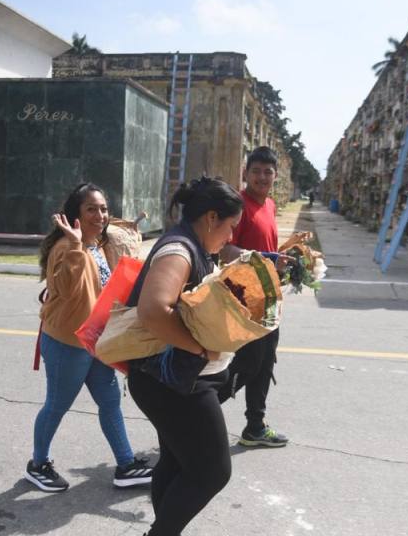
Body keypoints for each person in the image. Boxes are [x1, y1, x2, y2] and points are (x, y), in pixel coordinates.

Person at [127, 176, 244, 536]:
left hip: (168, 380)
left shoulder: (194, 246)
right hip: (173, 384)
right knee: (212, 471)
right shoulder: (179, 250)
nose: (230, 237)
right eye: (229, 227)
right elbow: (153, 310)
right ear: (211, 218)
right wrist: (200, 349)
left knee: (178, 463)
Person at [26, 182, 153, 493]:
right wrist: (73, 245)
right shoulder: (65, 248)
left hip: (95, 340)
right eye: (91, 209)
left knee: (110, 401)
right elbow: (67, 290)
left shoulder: (98, 245)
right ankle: (37, 464)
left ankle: (125, 465)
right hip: (67, 344)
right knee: (57, 405)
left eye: (103, 208)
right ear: (75, 215)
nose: (100, 214)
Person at [218, 146, 290, 448]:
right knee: (248, 363)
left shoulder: (270, 205)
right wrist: (264, 258)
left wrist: (283, 261)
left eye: (268, 172)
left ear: (275, 176)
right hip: (244, 295)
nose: (262, 177)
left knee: (265, 362)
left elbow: (267, 249)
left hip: (268, 295)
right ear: (245, 173)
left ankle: (255, 426)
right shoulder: (238, 205)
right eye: (256, 171)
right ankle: (192, 411)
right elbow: (224, 248)